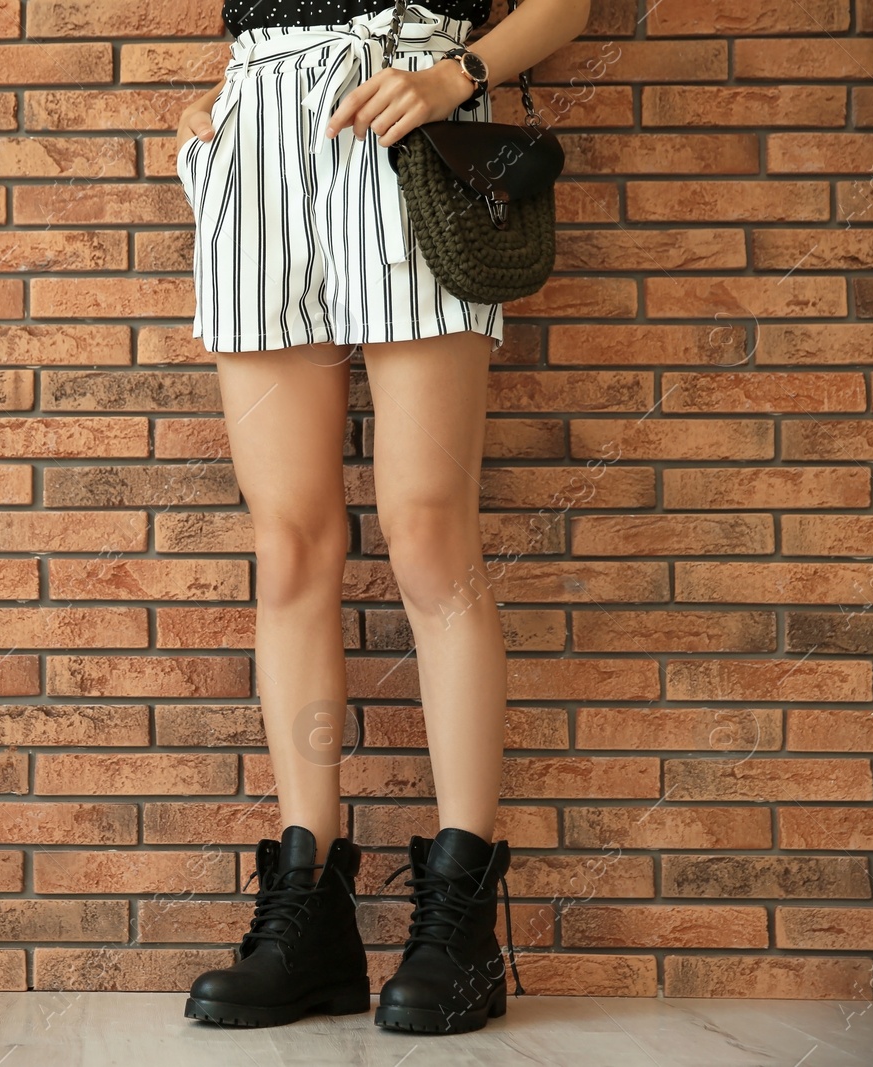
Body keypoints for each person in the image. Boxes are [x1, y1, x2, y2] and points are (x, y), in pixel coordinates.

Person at [174, 0, 592, 1037]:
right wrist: (220, 101)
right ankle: (307, 912)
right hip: (259, 151)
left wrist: (461, 72)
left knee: (427, 532)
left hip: (405, 136)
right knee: (290, 542)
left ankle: (458, 919)